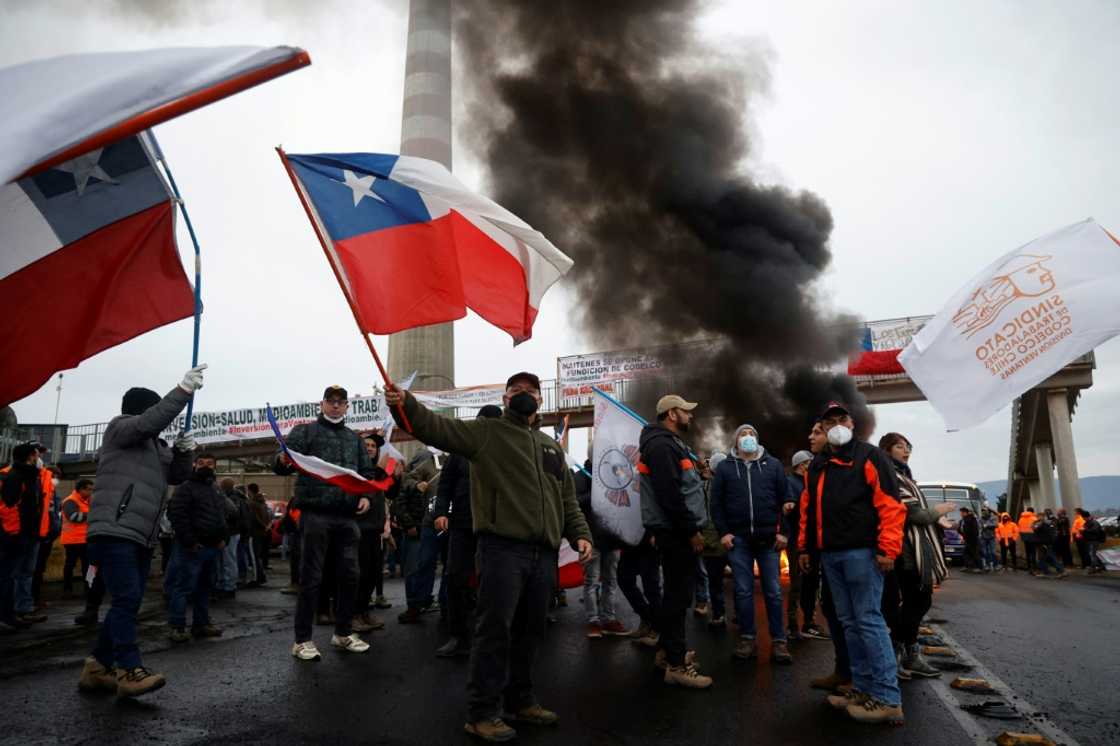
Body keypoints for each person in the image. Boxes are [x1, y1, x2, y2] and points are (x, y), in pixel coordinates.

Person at [386, 371, 592, 742]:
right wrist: (407, 404)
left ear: (540, 400)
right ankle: (482, 712)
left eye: (531, 390)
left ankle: (521, 700)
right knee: (494, 631)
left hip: (543, 554)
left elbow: (566, 500)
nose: (525, 395)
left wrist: (580, 534)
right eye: (516, 390)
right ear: (505, 399)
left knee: (531, 631)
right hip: (502, 549)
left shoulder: (550, 446)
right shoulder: (487, 434)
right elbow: (435, 428)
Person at [79, 367, 204, 697]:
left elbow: (177, 476)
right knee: (127, 598)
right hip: (114, 530)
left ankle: (97, 667)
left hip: (141, 536)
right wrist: (181, 392)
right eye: (150, 410)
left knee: (127, 602)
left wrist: (184, 451)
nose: (153, 418)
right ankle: (128, 669)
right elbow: (149, 421)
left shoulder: (156, 446)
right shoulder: (120, 429)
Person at [797, 402, 906, 725]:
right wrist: (805, 547)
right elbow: (808, 510)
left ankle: (887, 698)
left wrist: (888, 548)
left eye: (841, 418)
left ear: (852, 423)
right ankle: (861, 688)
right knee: (848, 622)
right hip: (831, 555)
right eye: (829, 420)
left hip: (863, 553)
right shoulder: (818, 465)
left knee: (868, 620)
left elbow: (890, 504)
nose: (837, 424)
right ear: (824, 426)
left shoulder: (871, 456)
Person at [275, 385, 375, 661]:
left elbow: (366, 472)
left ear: (346, 407)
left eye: (340, 402)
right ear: (322, 404)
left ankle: (343, 633)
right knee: (312, 577)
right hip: (315, 514)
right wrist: (282, 459)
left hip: (346, 517)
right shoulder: (304, 432)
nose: (335, 406)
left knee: (350, 575)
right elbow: (283, 463)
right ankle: (302, 640)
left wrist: (365, 495)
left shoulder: (353, 439)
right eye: (330, 401)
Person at [638, 394, 712, 689]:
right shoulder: (661, 446)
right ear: (671, 414)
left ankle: (668, 651)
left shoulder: (669, 444)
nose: (690, 416)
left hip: (674, 530)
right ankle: (677, 665)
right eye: (686, 411)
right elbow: (669, 494)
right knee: (678, 597)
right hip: (677, 533)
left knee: (677, 596)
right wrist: (691, 531)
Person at [711, 423, 792, 664]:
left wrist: (784, 533)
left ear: (757, 439)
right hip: (739, 540)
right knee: (743, 591)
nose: (747, 437)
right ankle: (747, 638)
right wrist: (724, 533)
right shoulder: (725, 468)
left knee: (774, 592)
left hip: (769, 540)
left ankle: (779, 641)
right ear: (735, 441)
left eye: (751, 434)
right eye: (743, 434)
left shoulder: (773, 465)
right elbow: (716, 504)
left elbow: (786, 499)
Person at [876, 433, 950, 681]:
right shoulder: (891, 477)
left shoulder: (905, 476)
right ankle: (897, 653)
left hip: (913, 548)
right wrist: (937, 511)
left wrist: (935, 517)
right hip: (904, 548)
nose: (906, 450)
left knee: (917, 600)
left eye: (908, 446)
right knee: (915, 600)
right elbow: (914, 515)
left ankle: (907, 653)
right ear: (886, 450)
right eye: (899, 446)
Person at [434, 405, 501, 656]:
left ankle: (492, 639)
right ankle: (459, 637)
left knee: (495, 582)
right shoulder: (459, 452)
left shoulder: (507, 451)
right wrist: (440, 512)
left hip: (496, 527)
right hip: (462, 524)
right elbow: (445, 485)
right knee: (455, 578)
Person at [166, 452, 227, 642]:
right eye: (201, 463)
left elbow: (221, 514)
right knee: (183, 587)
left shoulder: (215, 489)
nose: (205, 466)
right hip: (192, 548)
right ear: (194, 465)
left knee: (205, 587)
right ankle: (177, 626)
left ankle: (201, 624)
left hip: (212, 547)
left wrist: (223, 537)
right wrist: (189, 541)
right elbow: (177, 515)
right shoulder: (186, 488)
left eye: (210, 463)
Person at [577, 457, 628, 639]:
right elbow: (575, 502)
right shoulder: (581, 476)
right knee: (591, 581)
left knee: (611, 581)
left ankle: (609, 618)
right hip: (591, 538)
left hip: (612, 538)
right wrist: (596, 493)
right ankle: (593, 621)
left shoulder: (614, 473)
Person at [354, 432, 395, 633]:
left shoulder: (378, 471)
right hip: (359, 531)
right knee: (359, 575)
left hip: (375, 532)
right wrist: (380, 472)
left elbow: (390, 493)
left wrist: (395, 474)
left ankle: (363, 612)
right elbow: (365, 489)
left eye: (373, 445)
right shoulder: (355, 469)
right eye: (367, 444)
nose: (370, 448)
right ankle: (353, 616)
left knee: (372, 575)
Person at [1, 443, 44, 632]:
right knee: (7, 576)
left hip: (28, 534)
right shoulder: (15, 477)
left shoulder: (29, 476)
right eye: (36, 454)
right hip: (17, 535)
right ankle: (6, 616)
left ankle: (14, 613)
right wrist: (15, 534)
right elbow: (9, 507)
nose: (38, 457)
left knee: (17, 574)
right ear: (29, 456)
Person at [396, 451, 439, 624]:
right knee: (413, 569)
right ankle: (413, 605)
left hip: (429, 528)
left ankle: (424, 601)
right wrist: (409, 525)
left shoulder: (433, 481)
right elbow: (400, 505)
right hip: (415, 530)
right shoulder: (409, 483)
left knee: (427, 567)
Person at [699, 452, 729, 629]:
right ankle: (733, 615)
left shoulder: (705, 487)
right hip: (726, 541)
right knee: (736, 582)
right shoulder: (731, 485)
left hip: (713, 541)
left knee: (715, 582)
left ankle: (719, 614)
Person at [60, 479, 95, 597]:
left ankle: (88, 589)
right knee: (70, 565)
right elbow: (74, 517)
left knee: (87, 566)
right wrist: (93, 515)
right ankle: (67, 590)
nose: (91, 492)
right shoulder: (70, 501)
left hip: (85, 539)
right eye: (88, 489)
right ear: (81, 490)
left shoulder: (87, 501)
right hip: (73, 540)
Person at [247, 484, 272, 587]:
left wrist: (263, 526)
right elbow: (268, 516)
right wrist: (267, 526)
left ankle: (257, 578)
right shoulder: (263, 502)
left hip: (255, 532)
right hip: (263, 532)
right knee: (258, 556)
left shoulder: (252, 503)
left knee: (255, 556)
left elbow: (254, 518)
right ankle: (260, 577)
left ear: (250, 491)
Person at [1031, 512, 1066, 578]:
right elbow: (1033, 527)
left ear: (1043, 516)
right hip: (1041, 542)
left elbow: (1039, 529)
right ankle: (1045, 571)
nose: (1039, 518)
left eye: (1041, 516)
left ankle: (1061, 571)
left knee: (1050, 557)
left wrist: (1040, 524)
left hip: (1045, 542)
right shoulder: (1037, 522)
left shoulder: (1047, 523)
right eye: (1039, 516)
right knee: (1042, 558)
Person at [1077, 509, 1107, 574]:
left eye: (1084, 518)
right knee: (1093, 554)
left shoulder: (1094, 522)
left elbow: (1095, 530)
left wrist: (1084, 530)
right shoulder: (1087, 523)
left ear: (1087, 517)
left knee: (1091, 554)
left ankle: (1093, 568)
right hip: (1089, 540)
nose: (1084, 519)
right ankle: (1100, 566)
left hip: (1094, 540)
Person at [958, 507, 981, 573]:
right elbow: (961, 529)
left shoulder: (971, 519)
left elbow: (973, 530)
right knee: (966, 553)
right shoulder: (962, 520)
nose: (961, 513)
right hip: (967, 539)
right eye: (961, 512)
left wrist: (971, 538)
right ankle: (968, 566)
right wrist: (962, 535)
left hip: (972, 540)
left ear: (965, 513)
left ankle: (978, 567)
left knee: (974, 553)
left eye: (962, 512)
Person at [1018, 505, 1038, 573]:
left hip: (1025, 537)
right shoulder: (1034, 518)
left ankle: (1028, 566)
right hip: (1033, 537)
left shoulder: (1021, 519)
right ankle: (1034, 566)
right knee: (1033, 552)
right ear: (1032, 511)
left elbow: (1019, 529)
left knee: (1027, 552)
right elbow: (1037, 528)